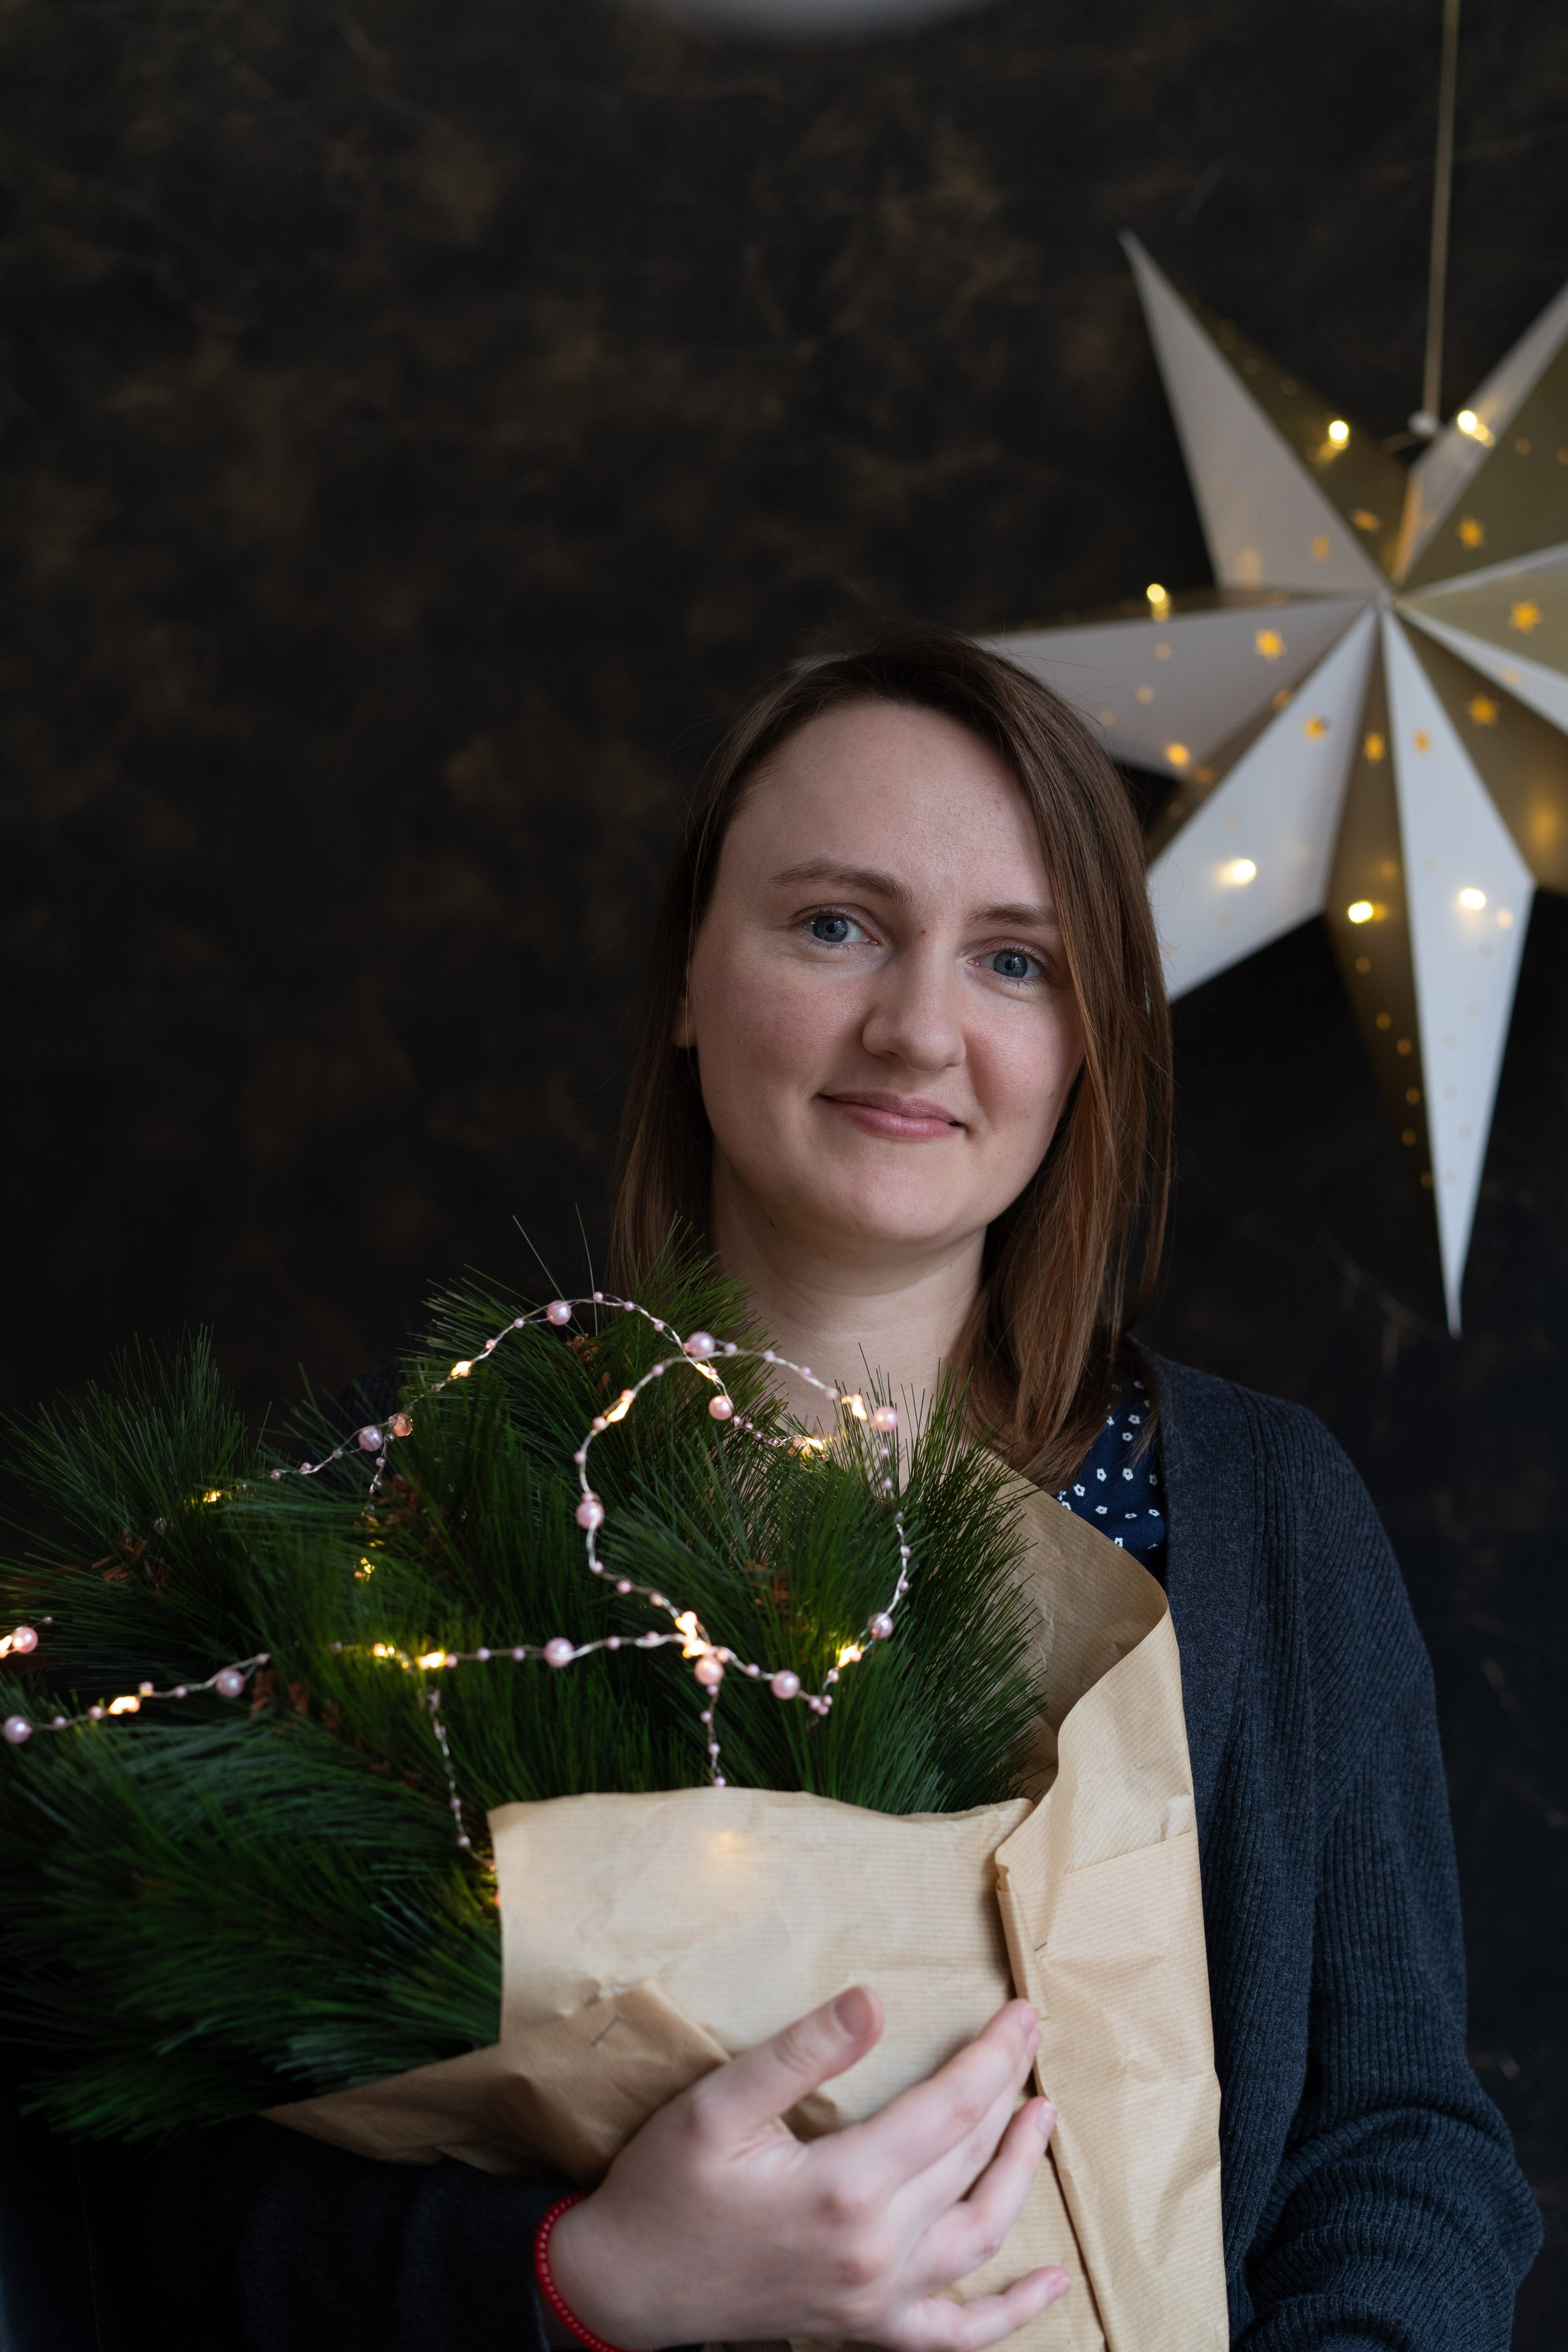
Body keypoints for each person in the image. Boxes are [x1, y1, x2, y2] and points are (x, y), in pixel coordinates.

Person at [149, 626, 1539, 2350]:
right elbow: (163, 2190)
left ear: (1089, 1039)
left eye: (1016, 962)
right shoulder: (400, 1501)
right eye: (836, 925)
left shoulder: (1266, 1521)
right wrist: (592, 2280)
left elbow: (1402, 2144)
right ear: (686, 977)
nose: (919, 1028)